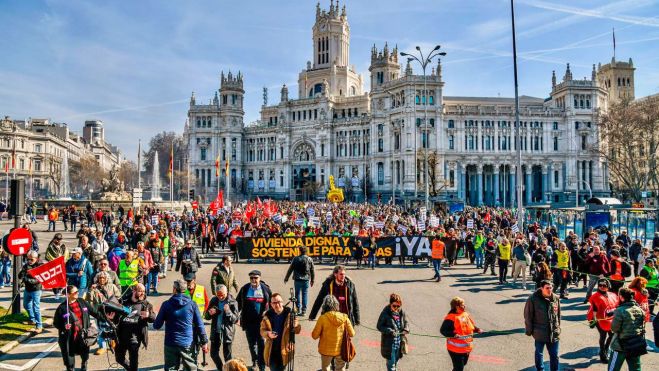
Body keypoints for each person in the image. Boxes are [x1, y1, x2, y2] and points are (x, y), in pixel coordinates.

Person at [153, 279, 209, 371]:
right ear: (185, 289)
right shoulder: (192, 304)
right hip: (187, 343)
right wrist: (204, 341)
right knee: (190, 368)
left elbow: (157, 325)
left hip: (171, 343)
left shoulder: (166, 305)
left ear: (174, 289)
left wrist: (152, 316)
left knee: (171, 369)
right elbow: (200, 325)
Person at [53, 285, 101, 371]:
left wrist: (107, 317)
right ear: (68, 294)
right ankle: (70, 368)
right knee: (69, 355)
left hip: (83, 333)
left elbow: (95, 312)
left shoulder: (82, 301)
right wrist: (64, 326)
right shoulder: (62, 308)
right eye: (75, 292)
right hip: (69, 336)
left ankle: (84, 364)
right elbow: (56, 323)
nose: (77, 293)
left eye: (77, 291)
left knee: (84, 351)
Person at [112, 283, 155, 371]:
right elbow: (116, 315)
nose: (143, 293)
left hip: (135, 338)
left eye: (144, 291)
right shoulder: (123, 301)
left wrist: (148, 315)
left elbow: (153, 318)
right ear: (134, 291)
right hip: (121, 336)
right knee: (119, 358)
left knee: (134, 360)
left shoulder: (146, 304)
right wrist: (112, 318)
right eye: (140, 291)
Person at [237, 270, 272, 371]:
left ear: (259, 278)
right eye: (251, 278)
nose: (253, 280)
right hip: (249, 322)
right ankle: (255, 361)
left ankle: (262, 364)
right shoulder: (245, 289)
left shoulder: (266, 289)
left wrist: (268, 312)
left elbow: (270, 304)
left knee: (261, 343)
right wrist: (235, 317)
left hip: (261, 323)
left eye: (255, 278)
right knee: (252, 344)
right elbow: (238, 303)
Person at [524, 279, 561, 371]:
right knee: (539, 353)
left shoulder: (556, 298)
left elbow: (558, 315)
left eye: (551, 288)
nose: (549, 290)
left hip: (553, 333)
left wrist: (558, 327)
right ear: (541, 288)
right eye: (547, 288)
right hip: (539, 332)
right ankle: (540, 369)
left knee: (554, 355)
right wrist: (529, 331)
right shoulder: (533, 299)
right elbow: (528, 316)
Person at [311, 295, 355, 371]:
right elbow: (352, 334)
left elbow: (314, 336)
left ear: (324, 306)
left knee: (326, 368)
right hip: (341, 350)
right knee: (340, 368)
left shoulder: (322, 318)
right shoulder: (344, 317)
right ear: (337, 305)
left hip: (326, 350)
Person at [260, 293, 301, 371]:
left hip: (285, 350)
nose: (277, 304)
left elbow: (297, 330)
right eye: (274, 303)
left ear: (282, 302)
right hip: (271, 351)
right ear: (271, 304)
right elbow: (262, 331)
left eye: (278, 302)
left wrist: (296, 325)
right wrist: (268, 334)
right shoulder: (267, 315)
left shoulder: (290, 315)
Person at [439, 296, 482, 371]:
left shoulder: (465, 314)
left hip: (466, 348)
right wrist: (453, 335)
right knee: (459, 368)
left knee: (462, 365)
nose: (464, 306)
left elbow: (470, 325)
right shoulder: (451, 317)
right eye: (462, 304)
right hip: (455, 349)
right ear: (457, 306)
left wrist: (477, 329)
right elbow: (443, 330)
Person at [608, 287, 646, 371]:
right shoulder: (640, 309)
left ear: (621, 297)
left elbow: (614, 328)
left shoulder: (619, 310)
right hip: (635, 344)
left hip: (619, 345)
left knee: (613, 368)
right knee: (635, 368)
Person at [204, 284, 240, 370]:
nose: (220, 297)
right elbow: (206, 316)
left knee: (227, 355)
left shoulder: (233, 302)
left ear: (226, 292)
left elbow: (235, 320)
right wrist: (209, 313)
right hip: (216, 331)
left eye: (222, 295)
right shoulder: (214, 300)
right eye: (218, 295)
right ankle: (221, 368)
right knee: (213, 354)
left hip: (227, 332)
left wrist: (228, 312)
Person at [85, 271, 120, 355]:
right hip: (99, 312)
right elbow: (89, 300)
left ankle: (113, 343)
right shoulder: (94, 288)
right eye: (100, 278)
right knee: (101, 330)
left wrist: (112, 302)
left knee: (112, 328)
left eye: (103, 278)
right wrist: (91, 290)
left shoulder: (112, 286)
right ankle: (102, 347)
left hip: (111, 311)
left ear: (107, 278)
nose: (101, 279)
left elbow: (118, 296)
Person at [587, 278, 619, 363]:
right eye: (600, 285)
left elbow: (617, 305)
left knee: (612, 335)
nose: (601, 287)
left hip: (611, 319)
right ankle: (602, 354)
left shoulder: (613, 295)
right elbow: (593, 310)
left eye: (604, 285)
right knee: (603, 336)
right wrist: (592, 321)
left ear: (608, 286)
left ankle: (606, 348)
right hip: (600, 319)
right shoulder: (595, 297)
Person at [377, 293, 410, 371]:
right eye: (394, 306)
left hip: (399, 343)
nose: (396, 308)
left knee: (395, 362)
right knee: (391, 366)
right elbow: (379, 326)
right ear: (390, 304)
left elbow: (406, 322)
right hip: (389, 345)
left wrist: (406, 329)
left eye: (398, 306)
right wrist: (389, 331)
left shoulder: (401, 312)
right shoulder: (385, 313)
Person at [284, 246, 315, 315]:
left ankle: (298, 309)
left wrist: (286, 278)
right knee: (305, 294)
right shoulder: (309, 259)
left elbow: (290, 269)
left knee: (297, 294)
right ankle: (304, 310)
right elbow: (312, 270)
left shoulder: (295, 258)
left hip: (297, 279)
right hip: (306, 279)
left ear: (300, 251)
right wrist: (312, 280)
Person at [18, 250, 44, 333]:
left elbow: (37, 280)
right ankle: (32, 319)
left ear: (36, 258)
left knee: (36, 307)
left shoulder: (40, 266)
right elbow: (20, 276)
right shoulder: (26, 265)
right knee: (26, 305)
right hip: (28, 289)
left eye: (31, 259)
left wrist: (26, 279)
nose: (29, 261)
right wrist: (22, 272)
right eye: (28, 259)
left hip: (36, 289)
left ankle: (39, 326)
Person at [45, 233, 68, 299]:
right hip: (54, 265)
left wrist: (64, 260)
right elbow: (48, 256)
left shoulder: (63, 246)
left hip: (62, 265)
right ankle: (56, 292)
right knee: (55, 279)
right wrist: (56, 261)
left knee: (62, 278)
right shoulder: (51, 247)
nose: (59, 241)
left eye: (60, 239)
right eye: (57, 239)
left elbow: (66, 254)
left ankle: (60, 289)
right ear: (55, 239)